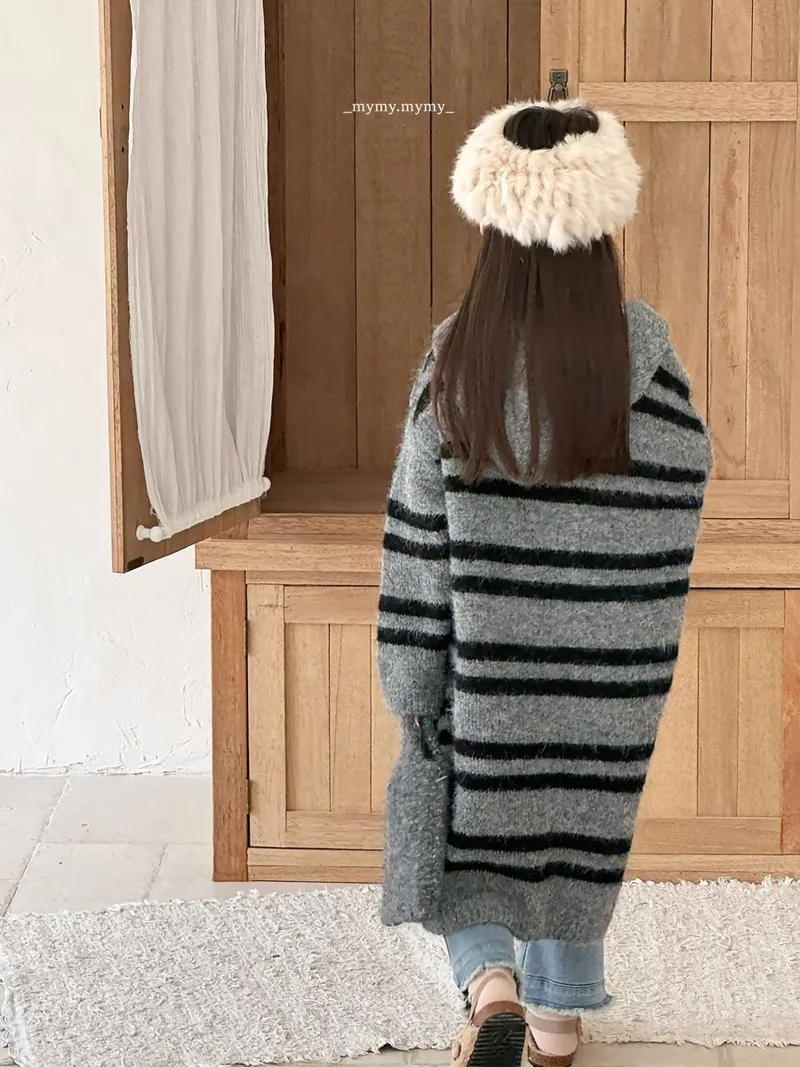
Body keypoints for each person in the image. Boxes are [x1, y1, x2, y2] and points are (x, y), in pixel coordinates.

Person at [376, 98, 712, 1067]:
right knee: (576, 826)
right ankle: (558, 1020)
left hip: (484, 673)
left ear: (491, 225)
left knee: (469, 825)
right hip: (606, 681)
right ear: (601, 231)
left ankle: (491, 987)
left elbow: (417, 539)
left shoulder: (458, 360)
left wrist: (413, 679)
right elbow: (679, 492)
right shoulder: (645, 363)